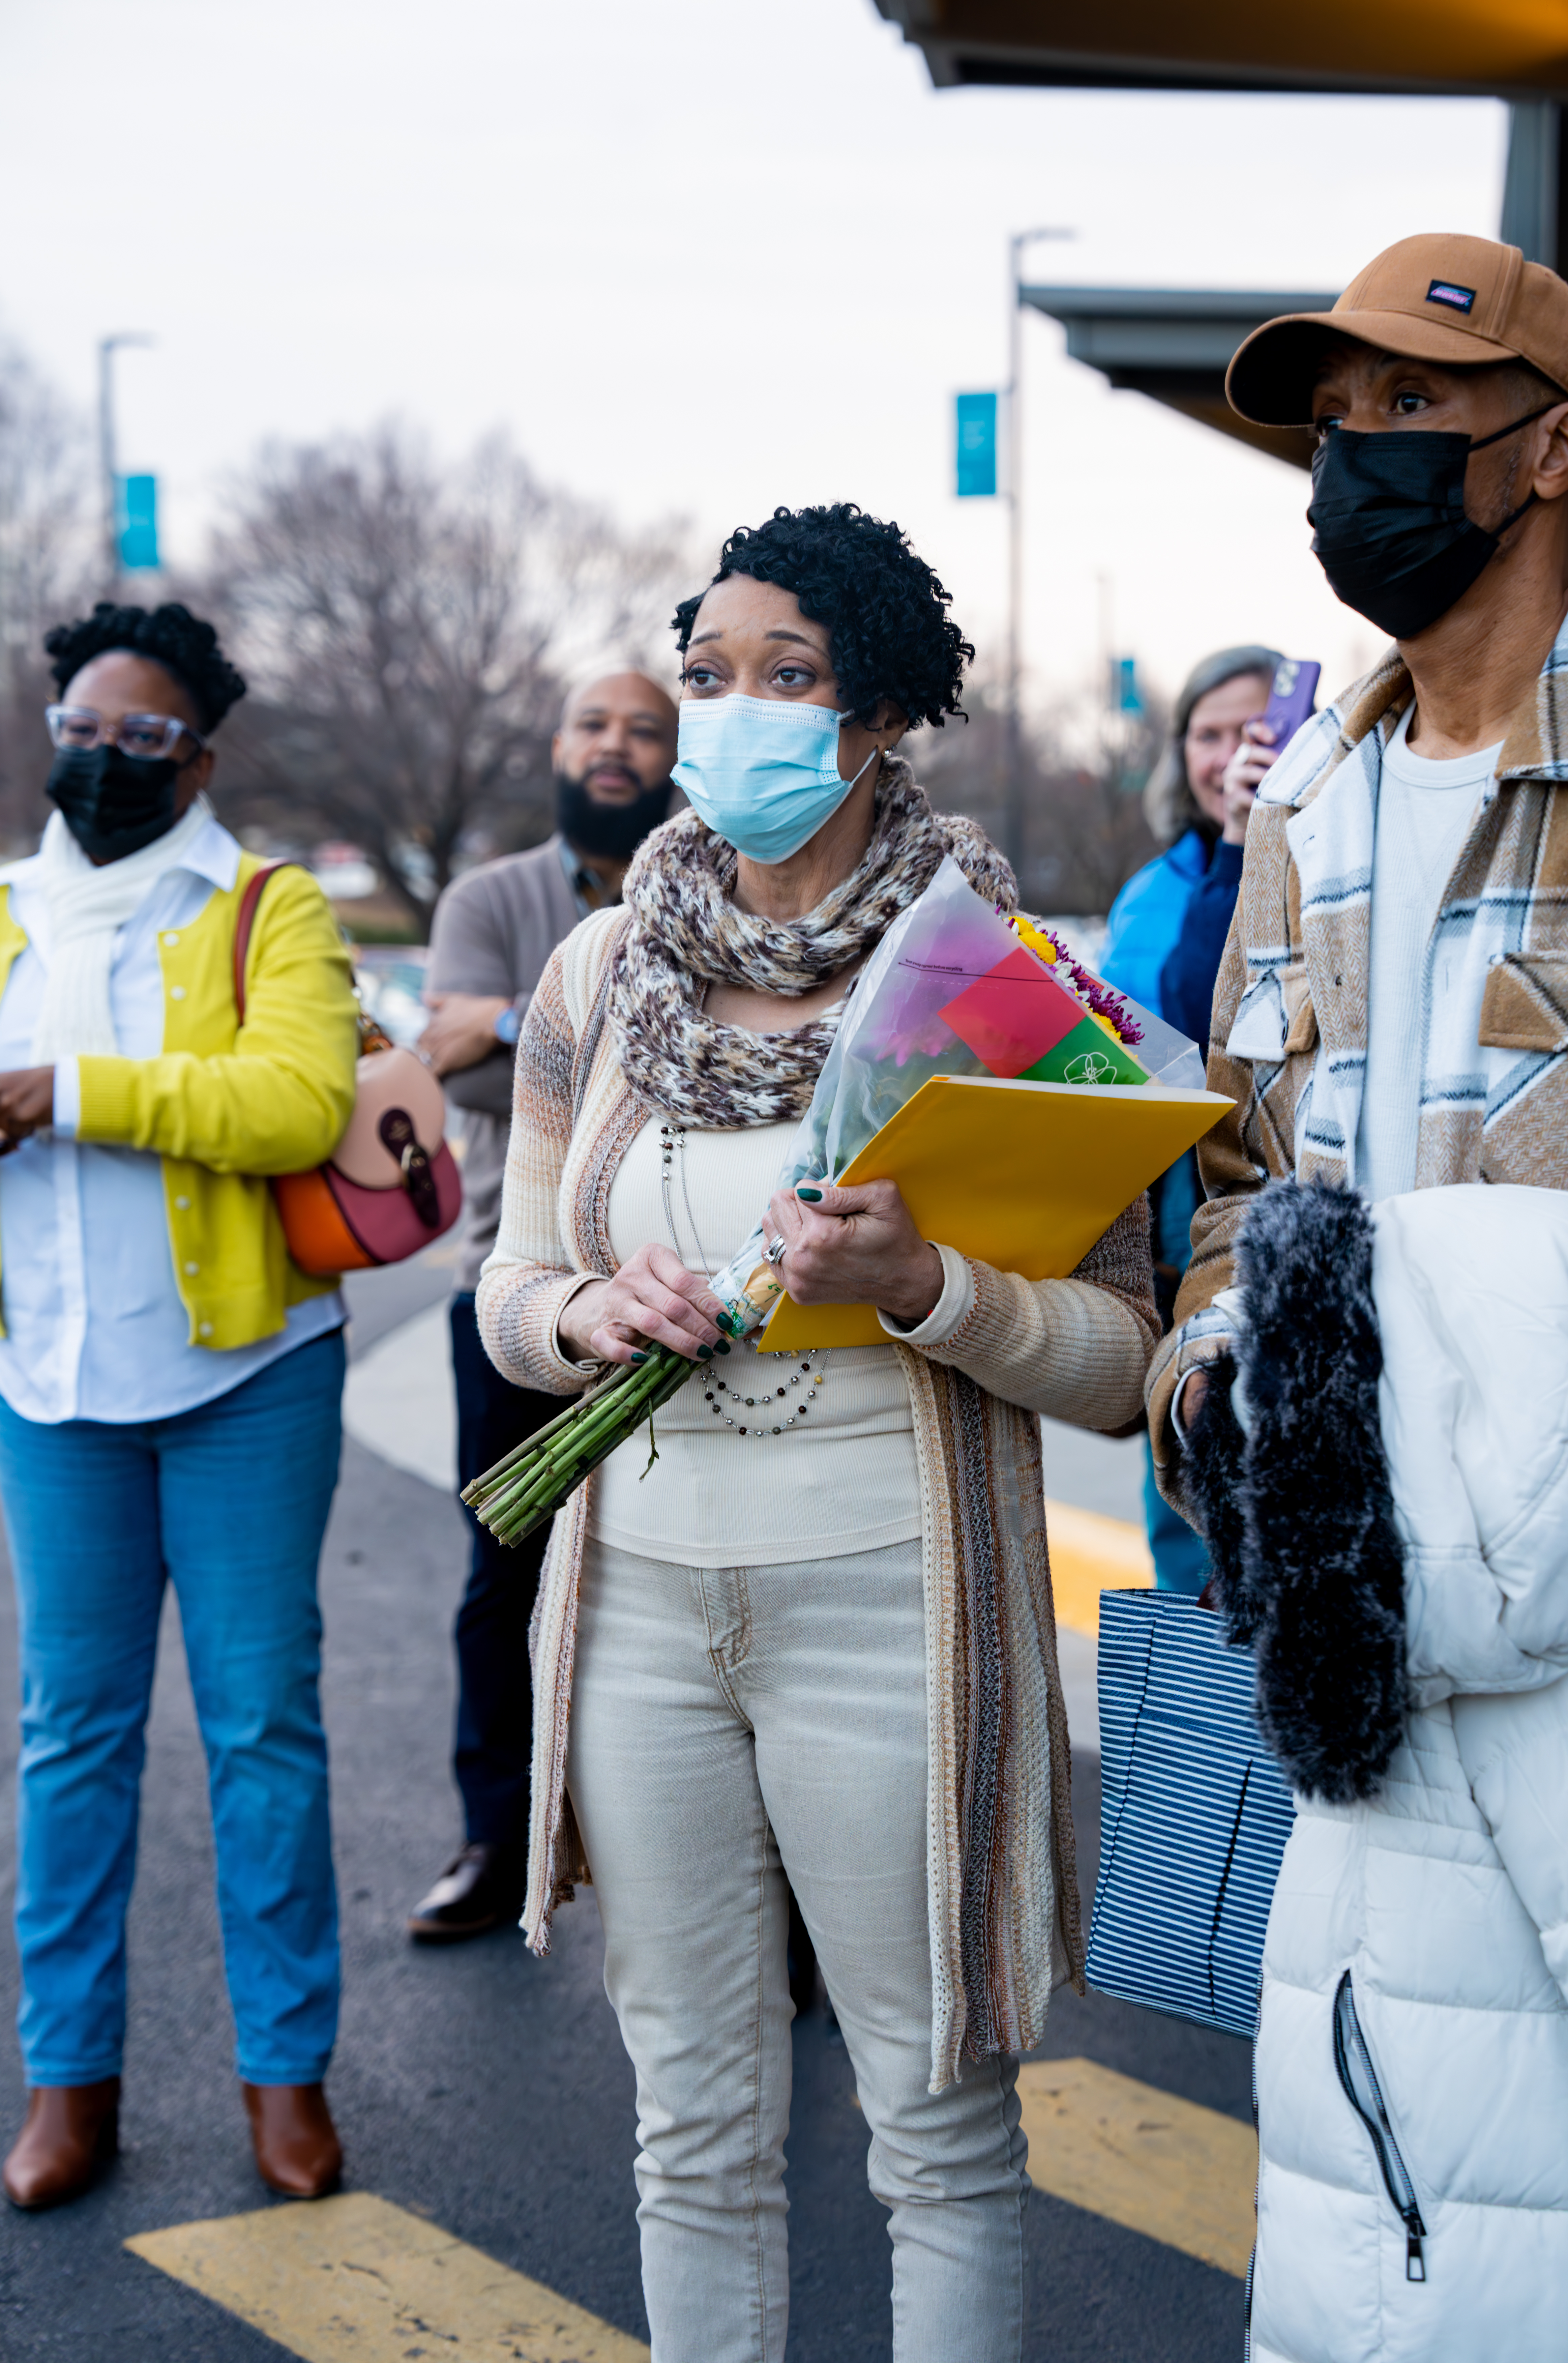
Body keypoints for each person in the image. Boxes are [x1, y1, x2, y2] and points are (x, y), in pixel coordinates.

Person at [476, 504, 1158, 2361]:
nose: (735, 716)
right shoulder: (599, 974)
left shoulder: (1000, 986)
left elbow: (1119, 1356)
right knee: (689, 2122)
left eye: (789, 680)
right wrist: (581, 1313)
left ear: (878, 721)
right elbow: (508, 1285)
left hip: (893, 1614)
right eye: (708, 677)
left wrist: (932, 1285)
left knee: (936, 2126)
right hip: (639, 1624)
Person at [1156, 233, 1568, 2360]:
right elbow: (1246, 1163)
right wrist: (1213, 1363)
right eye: (1333, 429)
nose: (1357, 469)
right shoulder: (1302, 801)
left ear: (1549, 446)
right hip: (1360, 1616)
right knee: (1388, 2183)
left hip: (1565, 1623)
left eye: (1413, 413)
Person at [0, 602, 359, 2211]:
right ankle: (67, 2084)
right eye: (79, 726)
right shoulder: (1, 913)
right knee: (73, 1739)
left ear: (197, 755)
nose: (101, 755)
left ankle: (286, 2079)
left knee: (261, 1733)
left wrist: (62, 1093)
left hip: (243, 1386)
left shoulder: (265, 910)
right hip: (48, 1389)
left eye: (139, 736)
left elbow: (295, 1103)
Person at [405, 671, 679, 1942]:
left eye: (643, 729)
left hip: (690, 1297)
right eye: (593, 725)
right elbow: (449, 1068)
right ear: (558, 745)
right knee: (499, 1575)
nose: (615, 748)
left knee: (682, 1578)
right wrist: (577, 1024)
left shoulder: (713, 882)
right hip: (514, 1288)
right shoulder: (490, 898)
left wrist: (519, 1024)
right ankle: (494, 1840)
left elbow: (500, 1050)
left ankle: (753, 1896)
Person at [1099, 644, 1279, 1592]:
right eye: (1207, 735)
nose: (1227, 757)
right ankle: (1200, 1725)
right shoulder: (1155, 883)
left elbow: (1236, 1003)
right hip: (1168, 1231)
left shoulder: (1312, 856)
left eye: (1251, 731)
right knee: (1184, 1476)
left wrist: (1259, 842)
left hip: (1268, 1213)